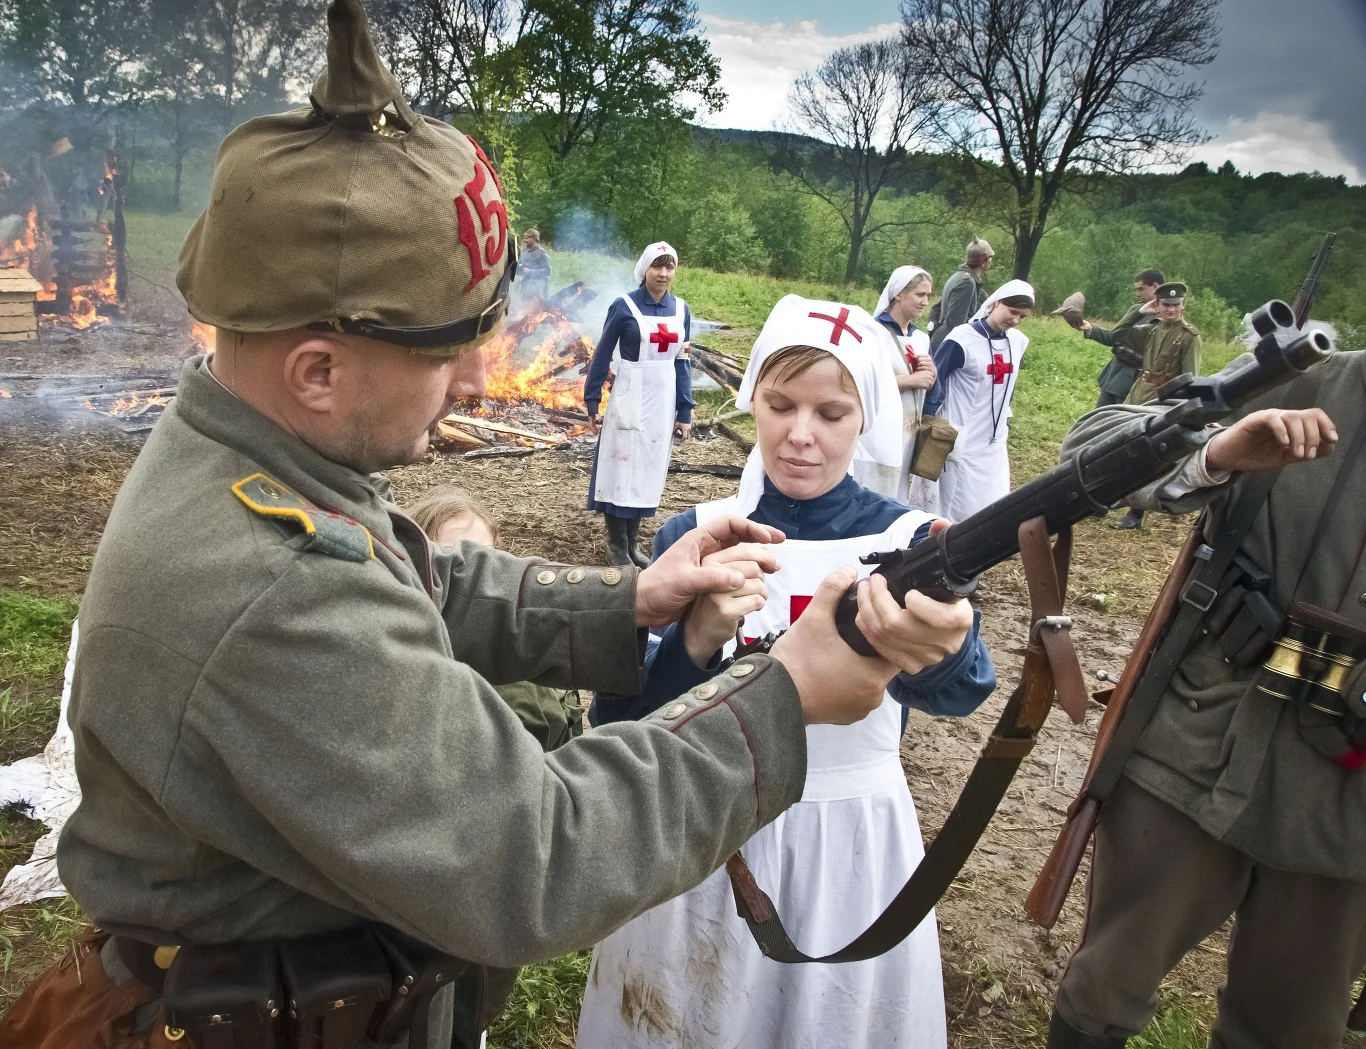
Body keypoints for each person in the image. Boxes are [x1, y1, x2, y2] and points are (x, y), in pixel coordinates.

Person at [0, 6, 913, 1049]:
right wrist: (785, 698)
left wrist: (627, 598)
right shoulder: (271, 586)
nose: (482, 376)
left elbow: (405, 573)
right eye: (449, 352)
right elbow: (540, 855)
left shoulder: (251, 448)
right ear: (318, 369)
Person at [578, 294, 996, 1049]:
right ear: (752, 403)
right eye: (779, 405)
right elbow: (631, 721)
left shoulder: (909, 541)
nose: (800, 435)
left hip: (849, 838)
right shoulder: (697, 533)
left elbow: (964, 689)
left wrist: (943, 639)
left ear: (866, 414)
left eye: (831, 413)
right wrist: (696, 639)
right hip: (705, 824)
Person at [1046, 346, 1362, 1049]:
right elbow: (1088, 445)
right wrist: (1216, 450)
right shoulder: (1306, 381)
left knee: (1295, 1029)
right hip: (1194, 749)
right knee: (1104, 989)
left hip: (1347, 810)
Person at [407, 485, 583, 752]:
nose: (474, 576)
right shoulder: (404, 652)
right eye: (451, 560)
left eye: (487, 559)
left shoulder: (530, 650)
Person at [583, 241, 694, 567]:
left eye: (669, 266)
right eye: (656, 266)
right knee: (621, 464)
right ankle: (616, 546)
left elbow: (683, 360)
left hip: (662, 397)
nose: (663, 273)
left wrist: (684, 409)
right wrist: (593, 400)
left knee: (646, 468)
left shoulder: (681, 310)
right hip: (631, 393)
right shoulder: (624, 306)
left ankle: (632, 545)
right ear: (644, 269)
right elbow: (602, 355)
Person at [924, 279, 1034, 523]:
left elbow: (1007, 387)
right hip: (962, 433)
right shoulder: (961, 339)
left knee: (991, 503)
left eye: (1022, 316)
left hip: (993, 439)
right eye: (1012, 312)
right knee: (953, 507)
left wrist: (1005, 420)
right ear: (996, 303)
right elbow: (934, 381)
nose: (1015, 320)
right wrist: (926, 422)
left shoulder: (1018, 341)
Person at [1112, 281, 1203, 530]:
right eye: (1166, 305)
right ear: (1158, 305)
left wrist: (1181, 410)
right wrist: (1140, 312)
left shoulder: (1189, 337)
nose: (1171, 310)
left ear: (1183, 306)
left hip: (1162, 400)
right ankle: (1112, 497)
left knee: (1146, 454)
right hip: (1139, 393)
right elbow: (1118, 333)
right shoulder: (1151, 330)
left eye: (1176, 305)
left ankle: (1136, 512)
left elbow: (1190, 378)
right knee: (1121, 446)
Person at [874, 265, 940, 503]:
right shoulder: (874, 333)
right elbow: (864, 383)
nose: (925, 302)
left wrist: (931, 376)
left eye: (928, 296)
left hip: (908, 431)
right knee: (875, 487)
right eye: (920, 295)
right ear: (899, 293)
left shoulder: (920, 338)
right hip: (877, 431)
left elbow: (933, 392)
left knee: (897, 493)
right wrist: (912, 380)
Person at [1082, 268, 1164, 408]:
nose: (1138, 294)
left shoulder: (1166, 317)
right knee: (1097, 421)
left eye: (1141, 289)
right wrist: (1089, 327)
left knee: (1123, 426)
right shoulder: (1136, 310)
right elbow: (1115, 337)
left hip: (1135, 383)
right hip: (1114, 374)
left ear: (1155, 287)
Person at [929, 237, 993, 350]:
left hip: (946, 340)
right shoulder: (967, 283)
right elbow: (956, 324)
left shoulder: (961, 277)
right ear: (983, 262)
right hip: (949, 344)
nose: (991, 260)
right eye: (990, 257)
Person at [517, 227, 551, 303]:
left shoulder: (541, 253)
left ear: (535, 239)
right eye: (524, 238)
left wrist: (530, 272)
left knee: (536, 312)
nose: (525, 240)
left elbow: (547, 271)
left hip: (538, 289)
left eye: (527, 238)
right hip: (525, 287)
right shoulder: (524, 252)